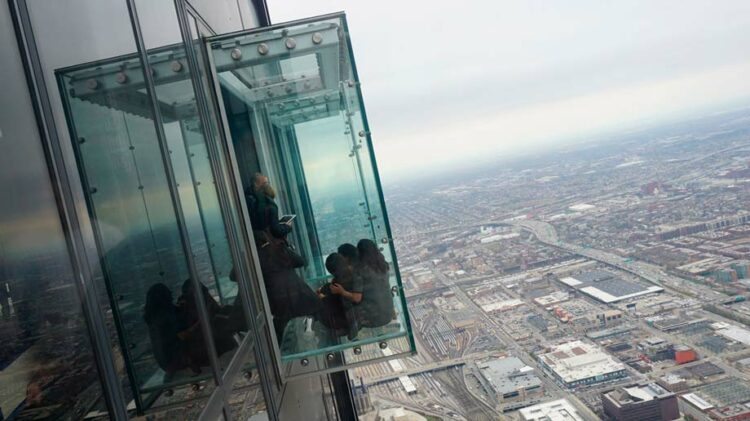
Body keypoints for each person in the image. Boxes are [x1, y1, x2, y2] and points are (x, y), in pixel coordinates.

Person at [255, 232, 320, 342]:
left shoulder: (255, 258)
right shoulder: (279, 250)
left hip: (278, 298)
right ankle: (308, 333)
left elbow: (233, 276)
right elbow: (301, 262)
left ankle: (282, 349)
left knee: (281, 327)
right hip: (298, 293)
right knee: (312, 312)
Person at [144, 283, 192, 379]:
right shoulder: (164, 316)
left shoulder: (155, 316)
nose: (171, 294)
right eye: (168, 292)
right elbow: (182, 330)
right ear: (164, 296)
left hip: (166, 362)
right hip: (175, 359)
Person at [317, 253, 359, 339]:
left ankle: (341, 329)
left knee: (319, 303)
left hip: (341, 320)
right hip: (353, 315)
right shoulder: (353, 273)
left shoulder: (339, 282)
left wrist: (322, 298)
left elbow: (335, 302)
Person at [249, 173, 292, 239]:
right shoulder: (270, 205)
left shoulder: (250, 200)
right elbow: (276, 231)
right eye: (266, 183)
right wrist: (287, 227)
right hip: (268, 243)